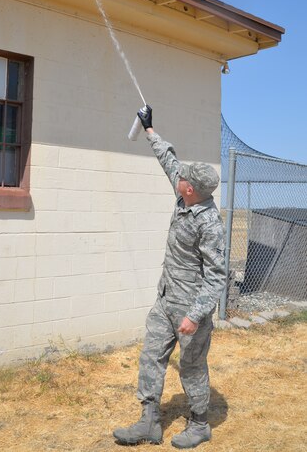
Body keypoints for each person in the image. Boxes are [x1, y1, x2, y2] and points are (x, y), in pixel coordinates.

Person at [113, 106, 226, 449]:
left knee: (191, 367)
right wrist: (150, 130)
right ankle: (149, 421)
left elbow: (217, 277)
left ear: (191, 189)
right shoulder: (185, 193)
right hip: (165, 300)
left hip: (191, 309)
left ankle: (200, 424)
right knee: (151, 356)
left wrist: (194, 316)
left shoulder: (209, 225)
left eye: (185, 176)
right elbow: (169, 160)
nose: (179, 175)